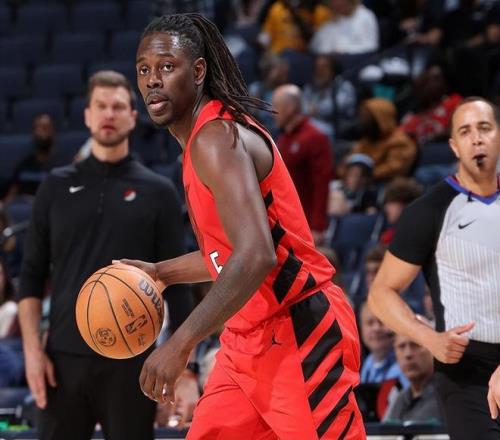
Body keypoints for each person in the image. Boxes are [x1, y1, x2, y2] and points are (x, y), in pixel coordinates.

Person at [124, 13, 364, 439]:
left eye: (167, 66)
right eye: (144, 70)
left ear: (198, 71)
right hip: (246, 339)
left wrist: (180, 342)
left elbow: (255, 255)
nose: (152, 80)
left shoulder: (215, 139)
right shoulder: (202, 140)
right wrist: (162, 272)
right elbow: (229, 253)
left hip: (296, 329)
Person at [17, 70, 193, 440]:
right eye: (100, 106)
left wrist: (183, 363)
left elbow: (178, 284)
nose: (108, 114)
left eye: (118, 106)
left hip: (134, 361)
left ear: (133, 116)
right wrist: (32, 351)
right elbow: (31, 275)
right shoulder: (55, 186)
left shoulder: (159, 191)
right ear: (87, 115)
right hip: (62, 359)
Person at [368, 96, 500, 440]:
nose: (477, 139)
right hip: (465, 372)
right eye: (465, 131)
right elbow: (380, 294)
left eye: (485, 128)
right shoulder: (429, 211)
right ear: (454, 146)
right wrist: (429, 338)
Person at [272, 83, 334, 244]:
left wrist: (318, 226)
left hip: (306, 223)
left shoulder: (315, 137)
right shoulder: (282, 139)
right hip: (284, 221)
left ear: (291, 107)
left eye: (276, 106)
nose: (272, 112)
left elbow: (321, 183)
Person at [383, 326, 442, 424]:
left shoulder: (446, 397)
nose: (408, 354)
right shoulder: (399, 399)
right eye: (401, 346)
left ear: (434, 350)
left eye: (416, 344)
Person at [351, 98, 417, 182]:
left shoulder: (400, 142)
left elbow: (393, 169)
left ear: (380, 119)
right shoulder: (367, 140)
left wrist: (362, 175)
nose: (362, 121)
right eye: (362, 116)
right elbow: (349, 163)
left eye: (367, 117)